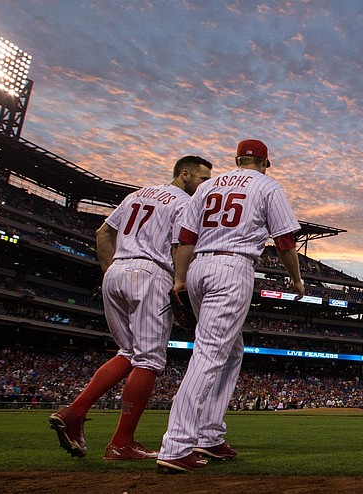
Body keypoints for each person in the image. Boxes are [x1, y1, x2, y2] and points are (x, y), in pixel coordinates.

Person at [49, 155, 213, 461]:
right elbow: (180, 246)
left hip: (116, 271)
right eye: (203, 179)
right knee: (149, 361)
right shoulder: (184, 203)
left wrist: (111, 271)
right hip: (151, 273)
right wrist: (180, 282)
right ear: (186, 175)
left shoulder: (137, 194)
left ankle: (75, 412)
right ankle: (121, 443)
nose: (206, 185)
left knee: (128, 353)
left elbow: (102, 234)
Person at [156, 139, 304, 474]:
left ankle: (209, 433)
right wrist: (296, 279)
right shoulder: (268, 185)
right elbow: (283, 241)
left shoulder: (208, 185)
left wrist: (180, 280)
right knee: (209, 354)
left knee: (232, 350)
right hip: (232, 267)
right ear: (266, 162)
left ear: (237, 159)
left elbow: (186, 237)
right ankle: (177, 445)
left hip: (196, 268)